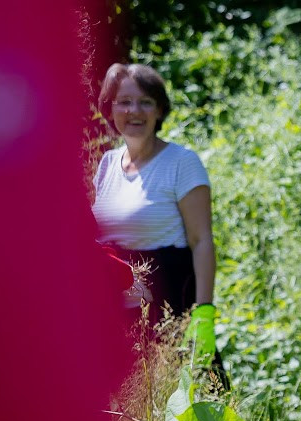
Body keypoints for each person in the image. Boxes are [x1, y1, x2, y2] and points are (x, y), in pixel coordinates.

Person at [92, 62, 215, 332]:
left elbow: (201, 240)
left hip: (170, 313)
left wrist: (204, 317)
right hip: (117, 318)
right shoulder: (107, 164)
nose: (134, 111)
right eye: (124, 101)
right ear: (110, 109)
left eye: (145, 102)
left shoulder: (182, 162)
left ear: (159, 110)